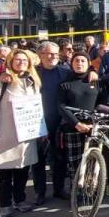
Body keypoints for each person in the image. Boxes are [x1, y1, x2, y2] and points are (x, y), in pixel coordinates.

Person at [0, 48, 42, 217]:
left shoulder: (33, 81)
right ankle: (5, 205)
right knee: (4, 173)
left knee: (23, 170)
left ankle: (20, 200)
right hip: (5, 135)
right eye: (18, 60)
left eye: (24, 60)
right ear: (10, 62)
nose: (21, 62)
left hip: (26, 135)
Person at [32, 41, 71, 204]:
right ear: (41, 55)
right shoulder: (32, 73)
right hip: (37, 123)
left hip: (59, 123)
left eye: (56, 54)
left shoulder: (65, 72)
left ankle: (58, 189)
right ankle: (39, 192)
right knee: (39, 159)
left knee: (60, 158)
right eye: (49, 54)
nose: (53, 57)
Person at [58, 52, 103, 183]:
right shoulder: (65, 83)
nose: (79, 63)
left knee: (93, 161)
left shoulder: (96, 81)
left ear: (89, 64)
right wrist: (76, 123)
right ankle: (76, 190)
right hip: (72, 127)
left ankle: (92, 189)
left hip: (93, 127)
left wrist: (93, 122)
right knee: (75, 163)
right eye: (76, 61)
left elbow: (101, 103)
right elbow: (61, 106)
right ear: (71, 63)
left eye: (83, 61)